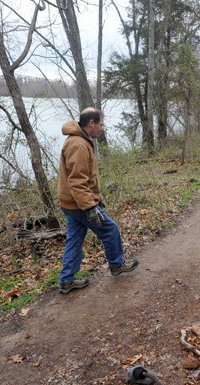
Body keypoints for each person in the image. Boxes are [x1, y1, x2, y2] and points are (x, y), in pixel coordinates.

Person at [58, 107, 138, 293]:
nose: (102, 128)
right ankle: (117, 264)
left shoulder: (81, 141)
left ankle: (67, 280)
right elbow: (77, 182)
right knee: (110, 230)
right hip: (79, 205)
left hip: (71, 204)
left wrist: (96, 196)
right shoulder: (78, 144)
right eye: (100, 124)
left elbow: (84, 177)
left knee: (74, 241)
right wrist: (90, 207)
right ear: (91, 123)